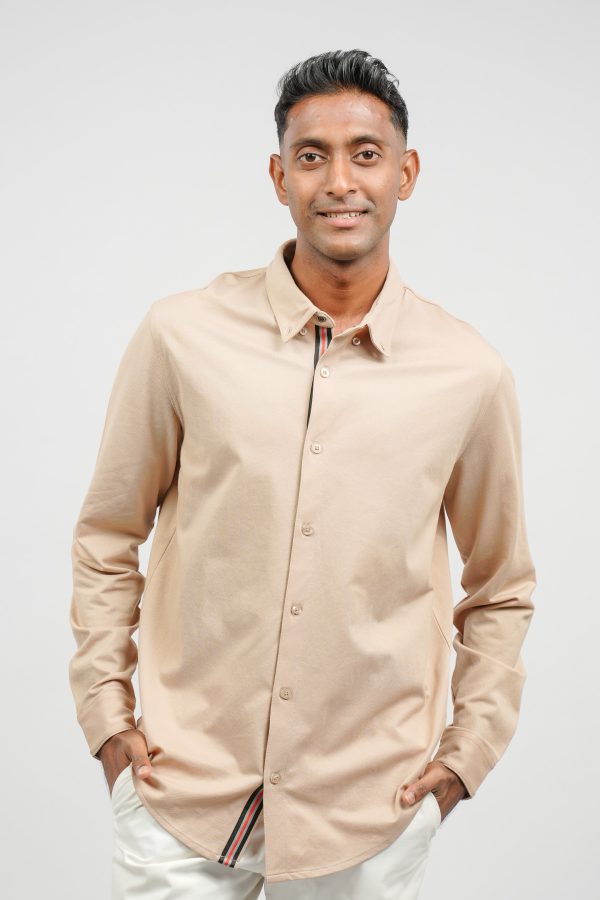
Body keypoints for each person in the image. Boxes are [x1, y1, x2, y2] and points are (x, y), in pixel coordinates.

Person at [68, 48, 537, 899]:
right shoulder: (182, 336)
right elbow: (108, 534)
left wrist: (466, 759)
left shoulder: (469, 375)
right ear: (280, 176)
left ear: (406, 174)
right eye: (313, 156)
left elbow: (501, 586)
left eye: (367, 154)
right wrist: (106, 718)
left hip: (367, 816)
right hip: (182, 795)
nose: (340, 182)